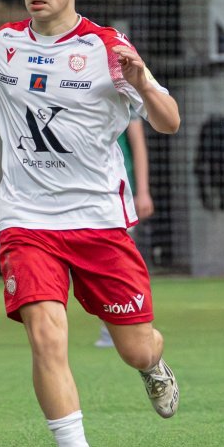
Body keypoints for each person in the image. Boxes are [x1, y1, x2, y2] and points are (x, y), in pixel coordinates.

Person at [0, 0, 180, 447]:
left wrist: (144, 83)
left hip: (98, 223)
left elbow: (169, 122)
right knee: (46, 336)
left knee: (136, 346)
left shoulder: (108, 48)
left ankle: (153, 365)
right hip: (26, 220)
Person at [95, 116, 154, 347]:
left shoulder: (124, 94)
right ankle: (111, 323)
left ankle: (122, 323)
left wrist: (143, 191)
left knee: (116, 264)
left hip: (118, 191)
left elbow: (138, 144)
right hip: (86, 192)